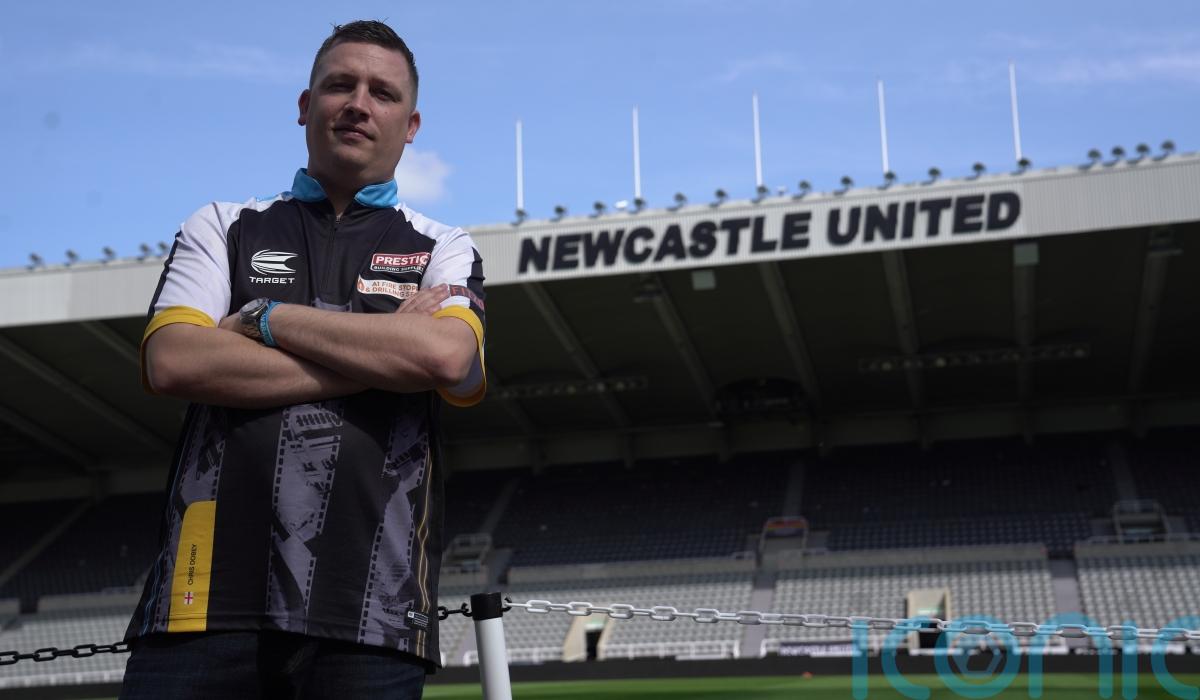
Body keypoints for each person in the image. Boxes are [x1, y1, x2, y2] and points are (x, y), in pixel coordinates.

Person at [120, 20, 485, 699]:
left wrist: (265, 318)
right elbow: (173, 361)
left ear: (410, 126)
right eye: (340, 85)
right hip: (199, 610)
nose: (358, 104)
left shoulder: (444, 245)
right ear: (304, 105)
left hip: (374, 619)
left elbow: (443, 357)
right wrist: (383, 353)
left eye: (382, 93)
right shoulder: (222, 224)